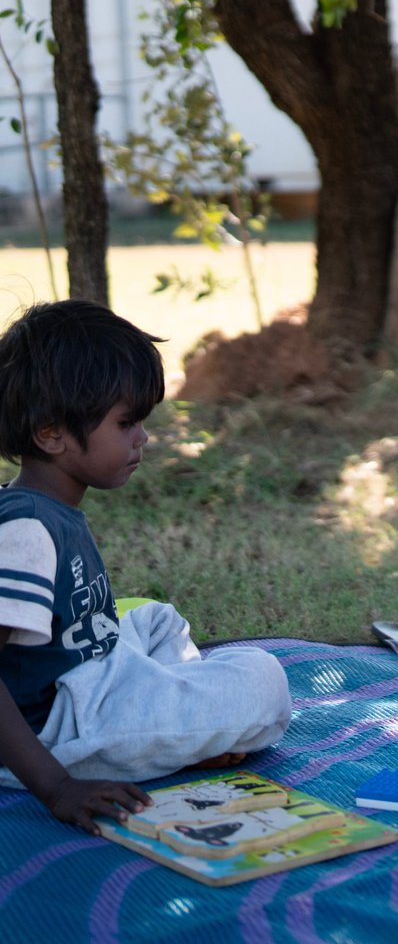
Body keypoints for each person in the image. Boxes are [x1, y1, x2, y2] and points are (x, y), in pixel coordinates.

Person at [0, 300, 292, 833]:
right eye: (126, 423)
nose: (143, 438)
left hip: (88, 673)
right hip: (61, 727)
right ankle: (177, 729)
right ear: (51, 434)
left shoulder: (46, 508)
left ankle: (176, 722)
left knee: (157, 618)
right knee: (264, 681)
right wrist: (57, 786)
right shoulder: (26, 529)